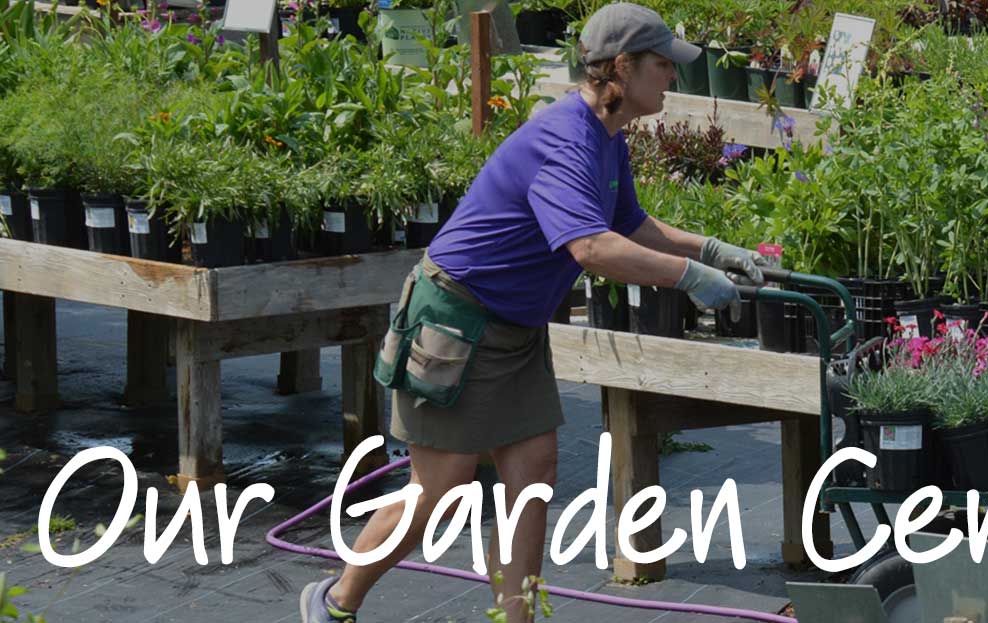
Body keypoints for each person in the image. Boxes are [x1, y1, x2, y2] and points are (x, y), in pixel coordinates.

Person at [299, 4, 759, 622]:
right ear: (620, 68)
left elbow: (628, 224)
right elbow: (590, 247)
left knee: (532, 478)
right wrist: (688, 277)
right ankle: (334, 602)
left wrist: (707, 249)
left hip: (514, 328)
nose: (671, 78)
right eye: (660, 66)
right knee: (440, 487)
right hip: (456, 320)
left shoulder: (607, 138)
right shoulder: (564, 138)